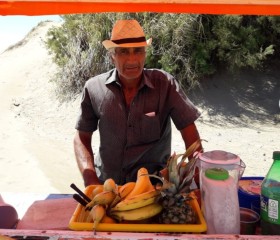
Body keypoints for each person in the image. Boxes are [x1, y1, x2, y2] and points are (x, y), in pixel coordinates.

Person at [74, 19, 202, 187]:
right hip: (107, 186)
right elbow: (81, 137)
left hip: (154, 188)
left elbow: (190, 134)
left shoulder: (165, 84)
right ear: (112, 56)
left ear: (145, 53)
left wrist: (200, 181)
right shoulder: (94, 88)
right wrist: (90, 180)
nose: (132, 59)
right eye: (124, 52)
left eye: (138, 51)